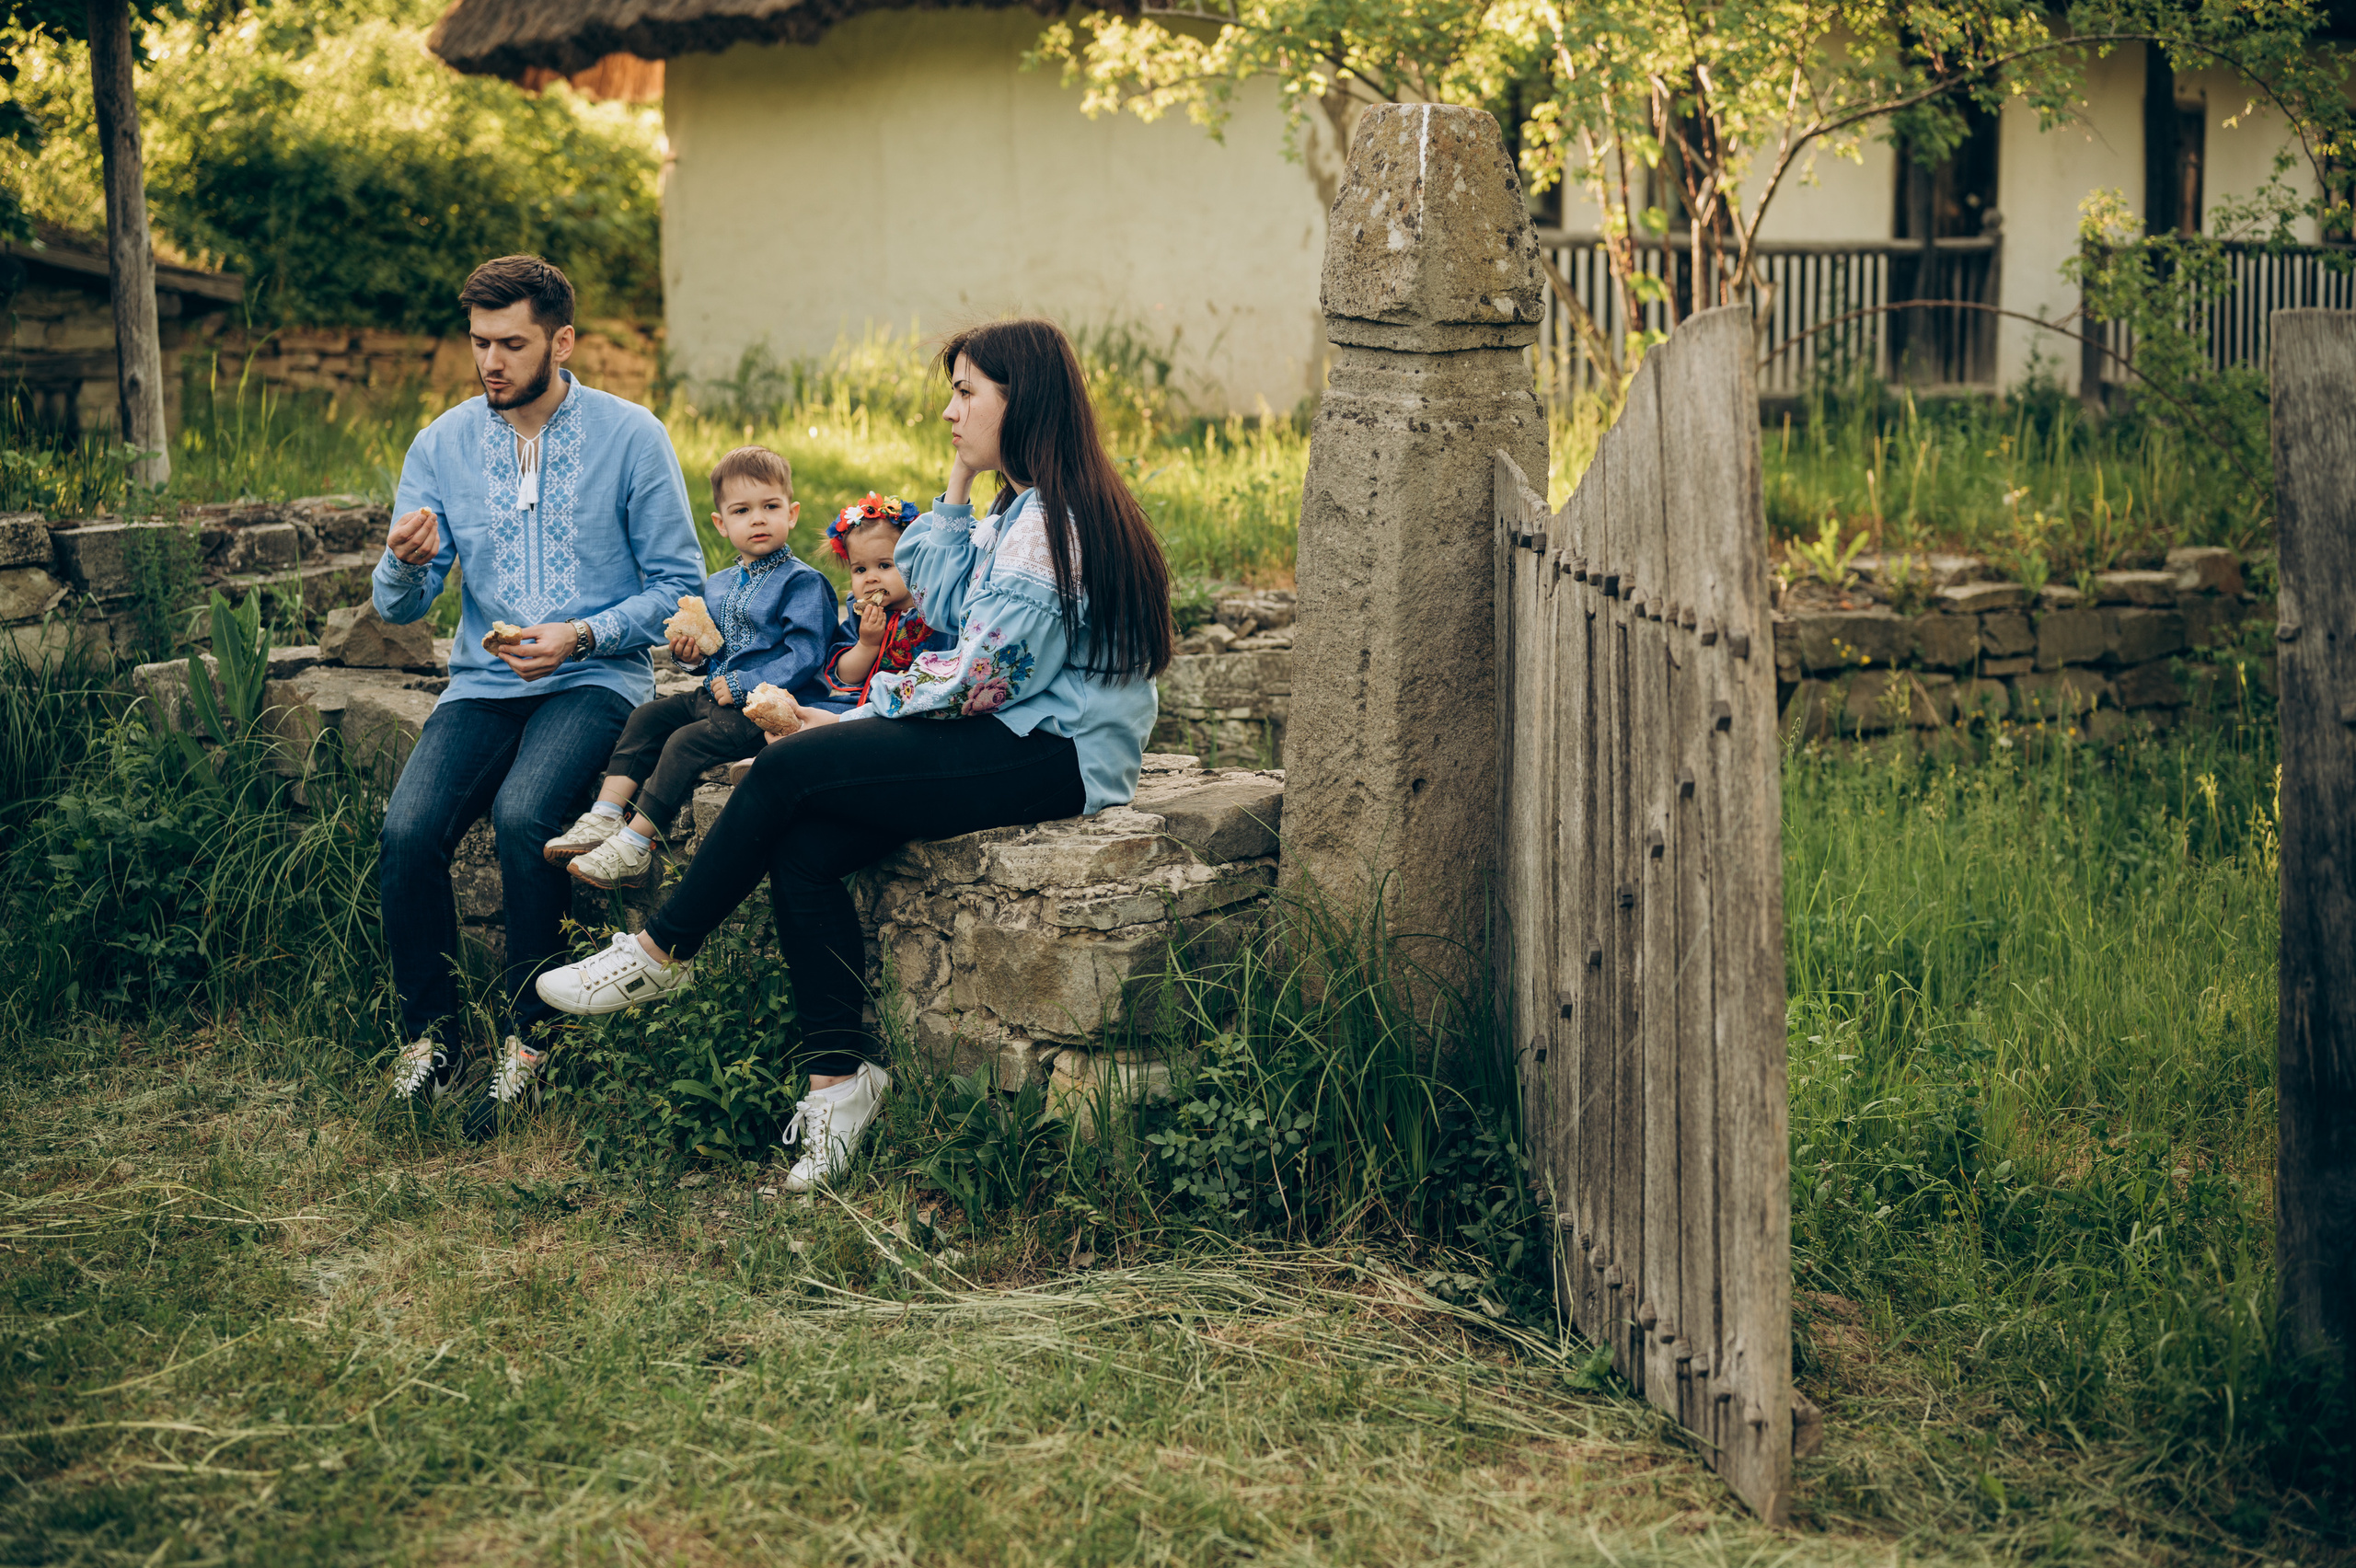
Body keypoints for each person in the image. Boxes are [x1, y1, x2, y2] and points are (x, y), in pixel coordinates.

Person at [530, 318, 1175, 1191]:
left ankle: (661, 954)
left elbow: (982, 675)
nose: (949, 412)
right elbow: (941, 598)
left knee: (791, 768)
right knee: (807, 848)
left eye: (966, 393)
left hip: (1054, 752)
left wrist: (845, 719)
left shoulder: (1051, 527)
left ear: (1022, 402)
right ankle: (841, 1082)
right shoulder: (1019, 508)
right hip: (1015, 730)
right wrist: (963, 476)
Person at [374, 254, 705, 1140]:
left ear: (562, 341)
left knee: (527, 817)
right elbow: (398, 605)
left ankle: (531, 1041)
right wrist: (401, 563)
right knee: (406, 833)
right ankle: (432, 1038)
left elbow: (680, 587)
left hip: (595, 681)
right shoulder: (441, 444)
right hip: (483, 685)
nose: (491, 362)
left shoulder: (633, 435)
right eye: (479, 343)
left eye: (511, 344)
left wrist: (583, 634)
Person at [545, 446, 842, 890]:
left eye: (770, 507)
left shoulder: (802, 583)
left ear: (792, 513)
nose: (758, 519)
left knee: (685, 743)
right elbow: (714, 654)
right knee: (647, 716)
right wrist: (692, 658)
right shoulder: (719, 584)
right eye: (742, 510)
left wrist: (744, 685)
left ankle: (634, 843)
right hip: (715, 697)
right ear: (721, 524)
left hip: (764, 710)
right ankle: (605, 815)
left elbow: (808, 654)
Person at [816, 490, 957, 708]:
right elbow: (845, 676)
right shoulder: (861, 615)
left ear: (914, 562)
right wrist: (867, 644)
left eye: (885, 565)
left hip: (919, 708)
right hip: (862, 703)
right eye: (860, 569)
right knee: (806, 717)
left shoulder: (935, 611)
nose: (871, 578)